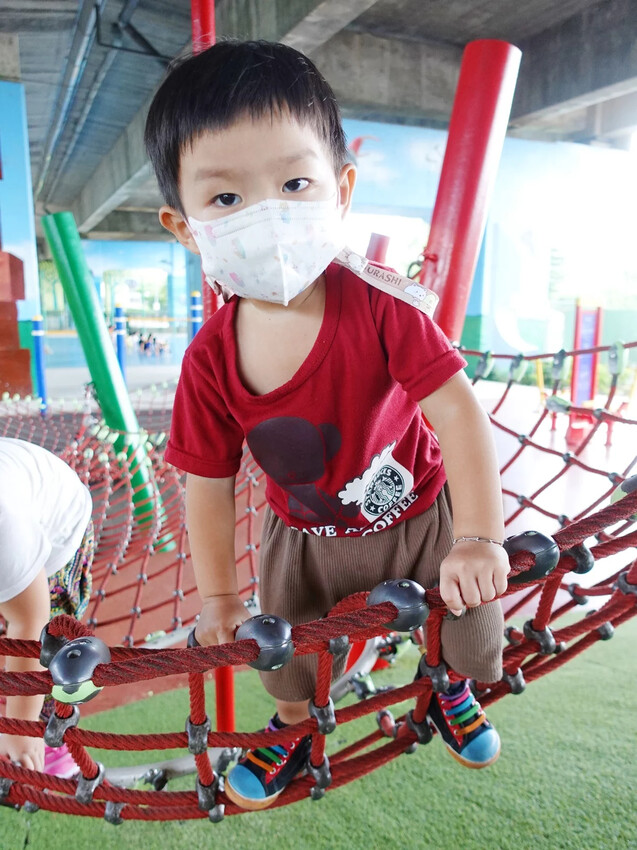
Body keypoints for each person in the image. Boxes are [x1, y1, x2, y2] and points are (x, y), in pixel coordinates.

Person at [145, 40, 510, 810]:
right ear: (183, 227)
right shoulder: (210, 359)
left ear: (339, 188)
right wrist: (219, 597)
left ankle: (446, 685)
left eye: (293, 183)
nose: (267, 215)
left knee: (472, 631)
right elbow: (206, 482)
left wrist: (478, 536)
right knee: (286, 663)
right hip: (303, 540)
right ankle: (292, 728)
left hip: (420, 517)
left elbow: (457, 413)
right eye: (225, 199)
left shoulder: (381, 307)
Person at [0, 437, 94, 777]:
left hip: (61, 530)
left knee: (55, 646)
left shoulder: (6, 529)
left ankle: (52, 741)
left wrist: (21, 728)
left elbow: (31, 623)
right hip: (23, 489)